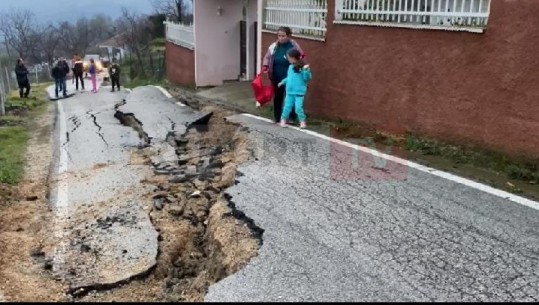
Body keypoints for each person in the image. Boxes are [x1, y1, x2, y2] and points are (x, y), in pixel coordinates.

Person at [262, 26, 305, 124]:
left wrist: (298, 64)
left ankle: (291, 117)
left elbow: (301, 55)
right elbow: (267, 57)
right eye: (279, 36)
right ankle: (277, 117)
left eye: (283, 36)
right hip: (277, 76)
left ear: (289, 36)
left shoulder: (293, 45)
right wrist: (265, 65)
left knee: (290, 96)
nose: (281, 38)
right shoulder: (274, 46)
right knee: (278, 97)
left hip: (291, 77)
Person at [278, 49, 312, 129]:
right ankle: (283, 120)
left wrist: (305, 70)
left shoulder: (303, 68)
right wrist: (282, 82)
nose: (288, 59)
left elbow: (306, 78)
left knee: (298, 108)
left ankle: (302, 121)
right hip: (290, 91)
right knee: (287, 107)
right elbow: (289, 78)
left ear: (293, 58)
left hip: (299, 92)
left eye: (289, 57)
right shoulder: (290, 67)